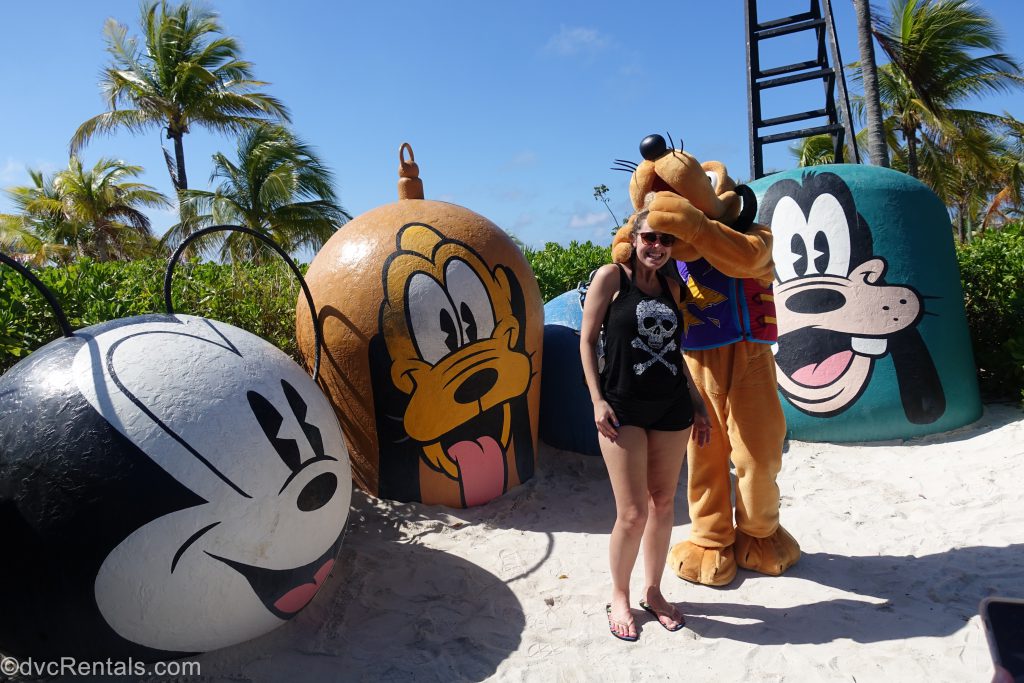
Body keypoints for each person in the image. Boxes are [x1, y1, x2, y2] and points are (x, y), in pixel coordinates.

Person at [580, 207, 711, 642]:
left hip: (671, 408)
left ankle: (653, 592)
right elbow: (587, 340)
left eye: (666, 240)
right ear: (634, 238)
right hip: (623, 407)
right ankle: (619, 595)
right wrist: (597, 400)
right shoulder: (611, 279)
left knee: (663, 503)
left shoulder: (673, 288)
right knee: (633, 513)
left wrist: (697, 403)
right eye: (650, 237)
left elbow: (675, 353)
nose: (657, 246)